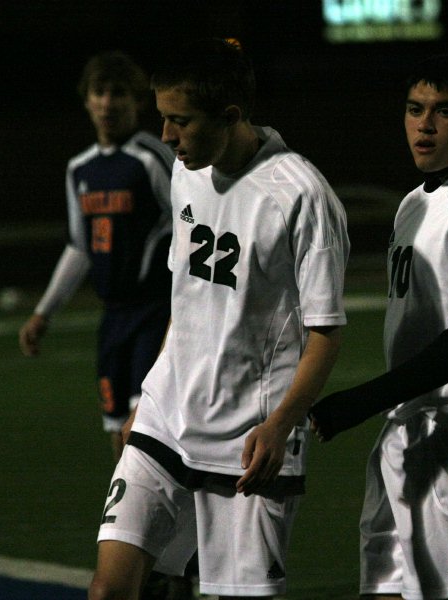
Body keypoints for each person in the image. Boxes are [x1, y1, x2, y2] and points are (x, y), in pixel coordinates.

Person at [88, 38, 350, 600]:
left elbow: (325, 333)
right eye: (162, 118)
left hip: (247, 439)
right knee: (109, 590)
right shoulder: (186, 170)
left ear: (230, 117)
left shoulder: (301, 195)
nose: (165, 136)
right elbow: (185, 303)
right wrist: (148, 394)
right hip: (166, 415)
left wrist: (281, 425)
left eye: (179, 121)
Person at [310, 54, 448, 599]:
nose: (424, 124)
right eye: (414, 109)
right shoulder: (415, 202)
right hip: (409, 430)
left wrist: (359, 402)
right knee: (381, 590)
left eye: (444, 111)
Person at [18, 51, 175, 461]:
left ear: (138, 101)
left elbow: (191, 221)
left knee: (149, 427)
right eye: (99, 92)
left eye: (118, 93)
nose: (108, 102)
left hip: (156, 313)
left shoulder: (152, 158)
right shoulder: (80, 169)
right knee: (116, 427)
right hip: (113, 319)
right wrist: (43, 312)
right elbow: (80, 246)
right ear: (86, 100)